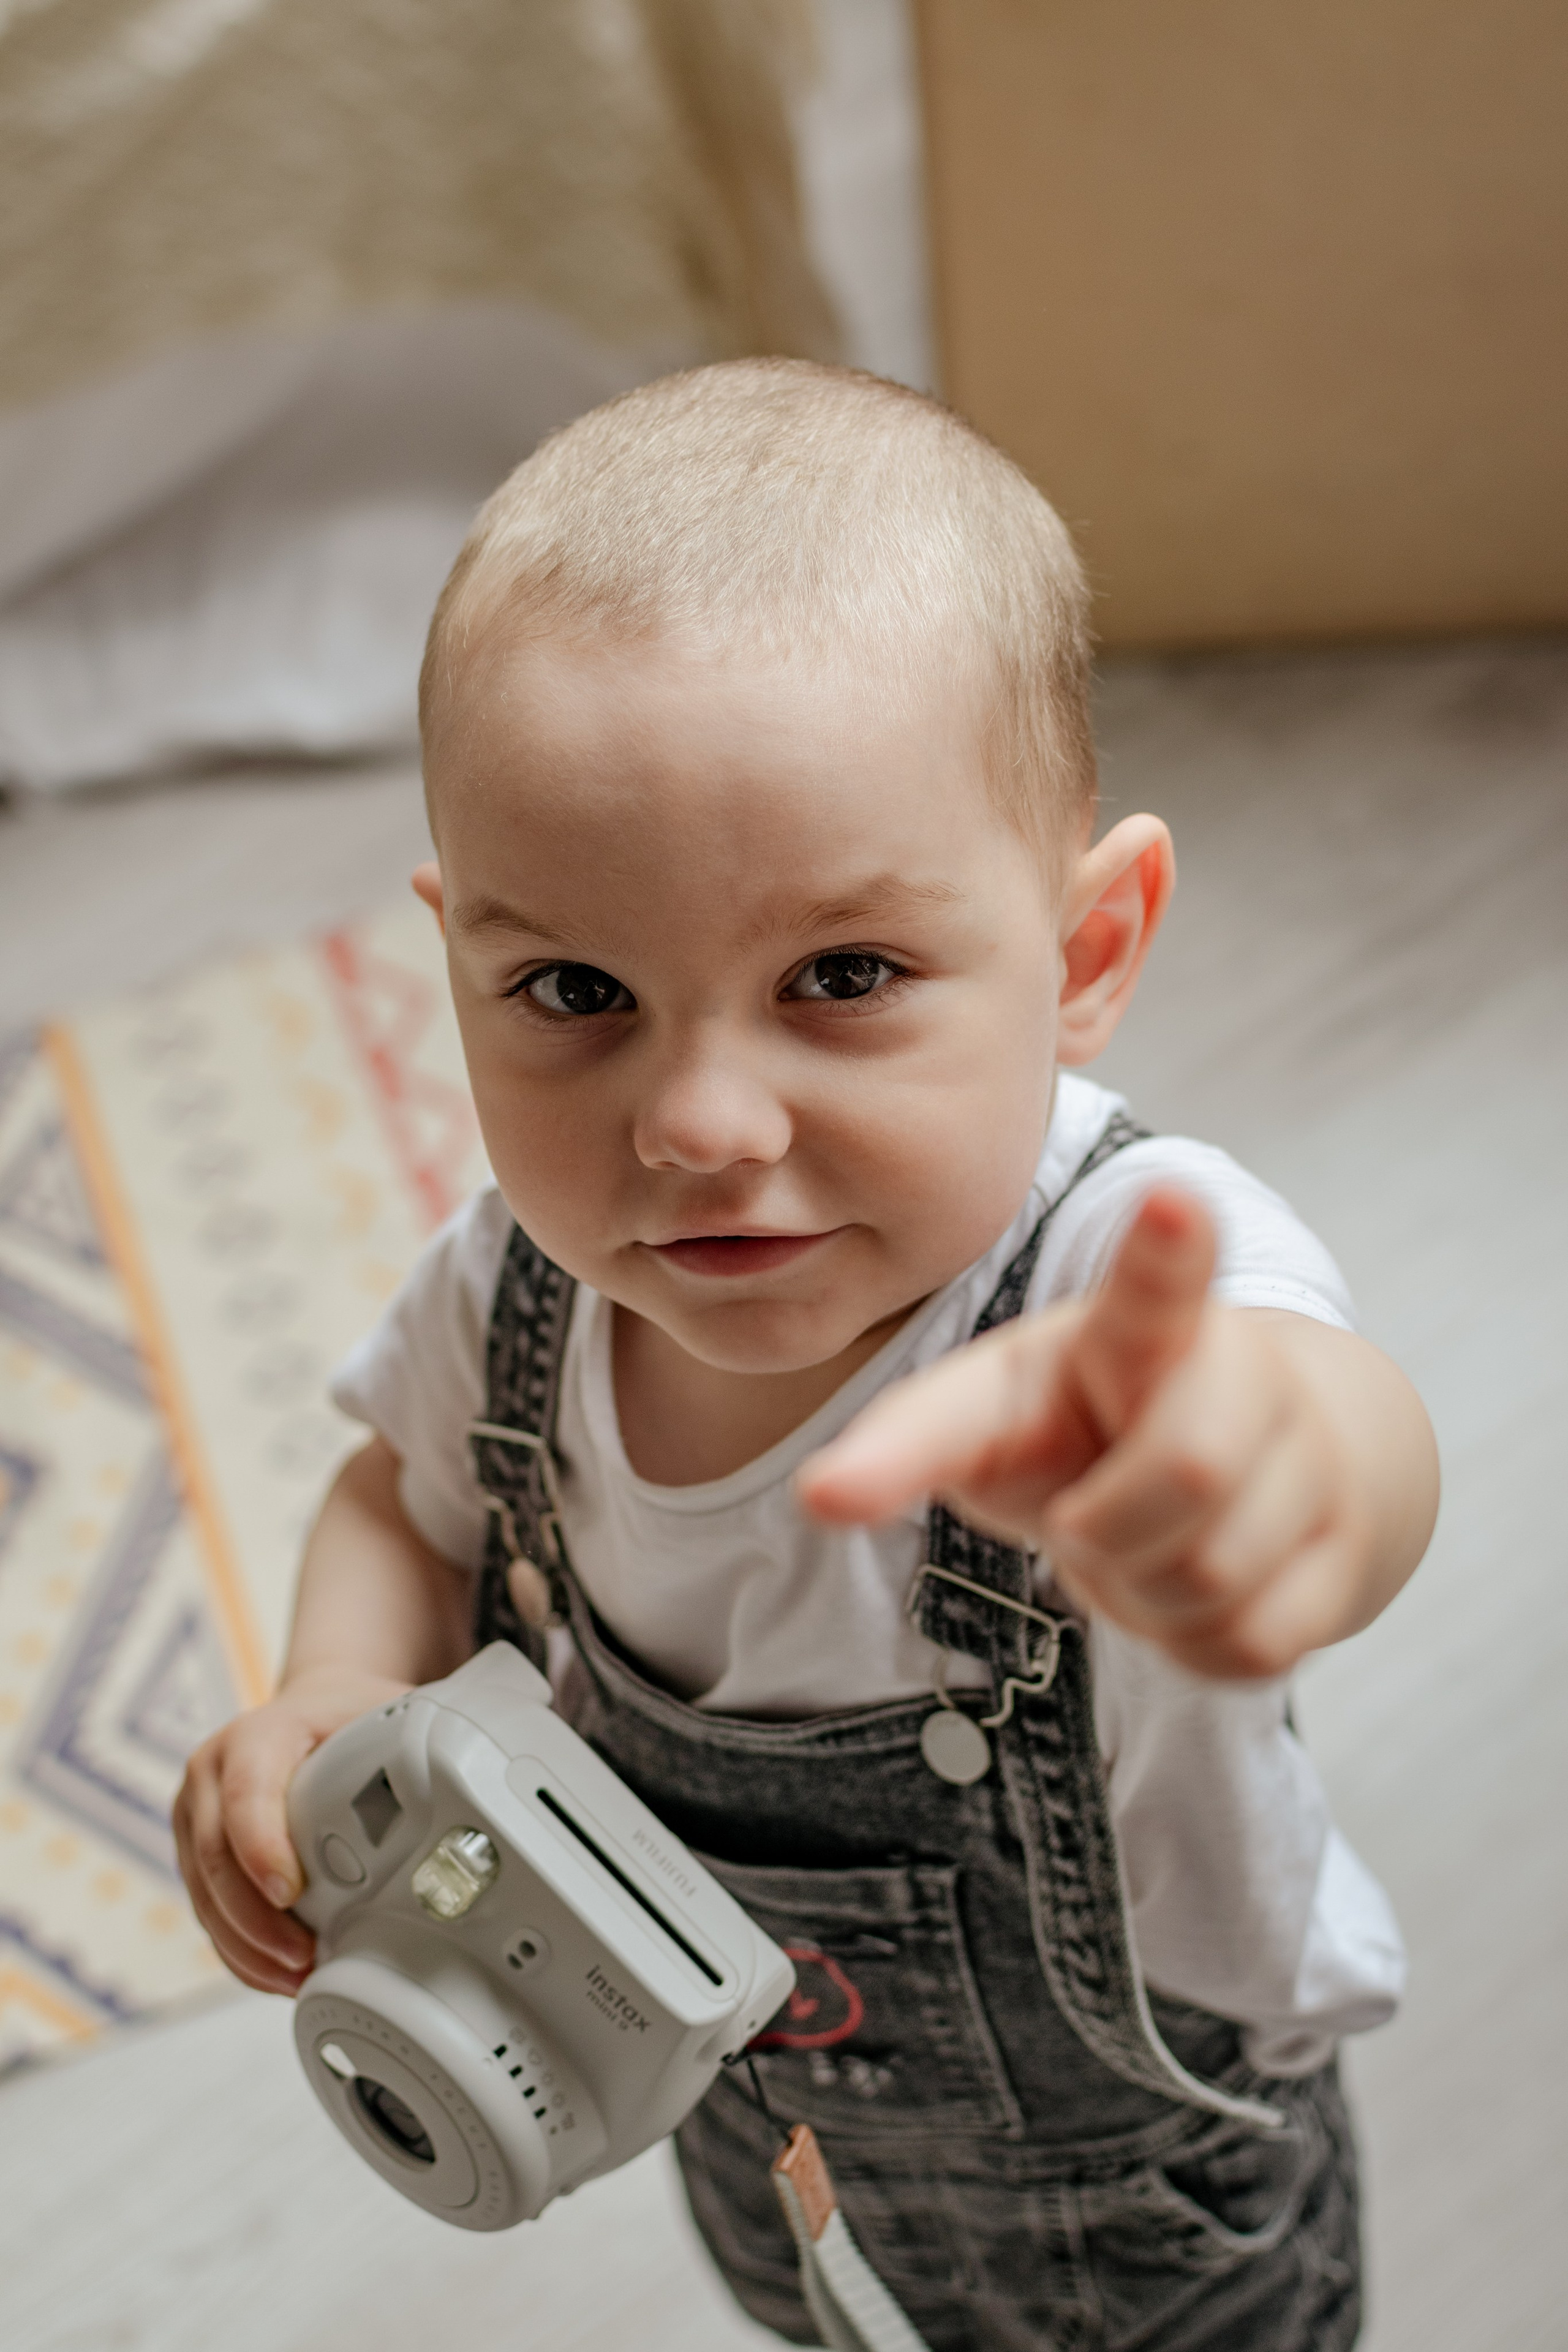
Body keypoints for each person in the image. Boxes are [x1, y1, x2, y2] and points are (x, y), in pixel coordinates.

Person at [174, 360, 1438, 2349]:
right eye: (574, 990)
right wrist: (338, 1679)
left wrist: (1262, 1474)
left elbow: (1339, 1438)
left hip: (1153, 2205)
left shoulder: (1119, 1272)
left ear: (1087, 953)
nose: (697, 1121)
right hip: (767, 2147)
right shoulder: (514, 1291)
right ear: (457, 963)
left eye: (840, 979)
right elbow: (397, 1497)